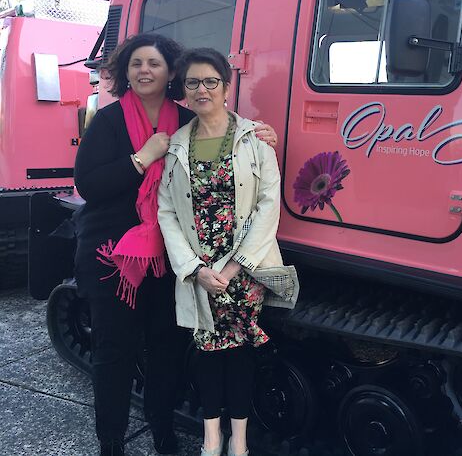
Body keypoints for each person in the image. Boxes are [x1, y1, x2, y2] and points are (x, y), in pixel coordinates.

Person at [74, 33, 278, 456]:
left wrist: (260, 134)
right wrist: (142, 156)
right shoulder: (110, 121)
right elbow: (89, 185)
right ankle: (110, 440)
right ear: (125, 73)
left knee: (165, 348)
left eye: (153, 63)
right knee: (114, 350)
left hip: (170, 257)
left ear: (171, 73)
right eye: (135, 64)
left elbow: (224, 132)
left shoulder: (185, 122)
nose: (144, 71)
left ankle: (162, 429)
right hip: (114, 257)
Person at [157, 47, 299, 456]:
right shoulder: (177, 146)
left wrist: (236, 266)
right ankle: (211, 435)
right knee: (206, 353)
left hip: (242, 266)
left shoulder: (255, 140)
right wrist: (193, 268)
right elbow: (167, 210)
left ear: (226, 86)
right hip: (200, 268)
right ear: (183, 91)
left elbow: (268, 206)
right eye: (192, 83)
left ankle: (238, 438)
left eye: (211, 81)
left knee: (237, 353)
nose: (202, 90)